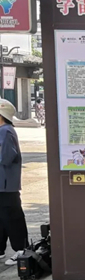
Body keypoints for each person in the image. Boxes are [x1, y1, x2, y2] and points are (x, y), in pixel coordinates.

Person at [0, 99, 28, 266]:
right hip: (3, 183)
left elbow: (7, 157)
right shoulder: (4, 131)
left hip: (6, 184)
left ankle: (21, 249)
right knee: (3, 217)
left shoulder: (5, 131)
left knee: (12, 216)